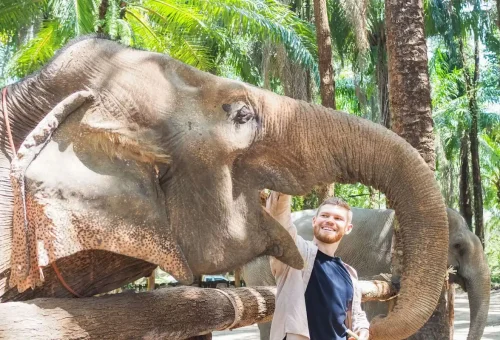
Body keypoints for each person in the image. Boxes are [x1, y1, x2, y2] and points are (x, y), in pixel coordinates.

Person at [268, 191, 370, 340]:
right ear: (314, 221)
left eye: (338, 218)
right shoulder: (296, 253)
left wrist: (362, 329)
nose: (330, 220)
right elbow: (278, 219)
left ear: (348, 228)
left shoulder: (349, 273)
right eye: (325, 216)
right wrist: (284, 184)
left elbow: (356, 314)